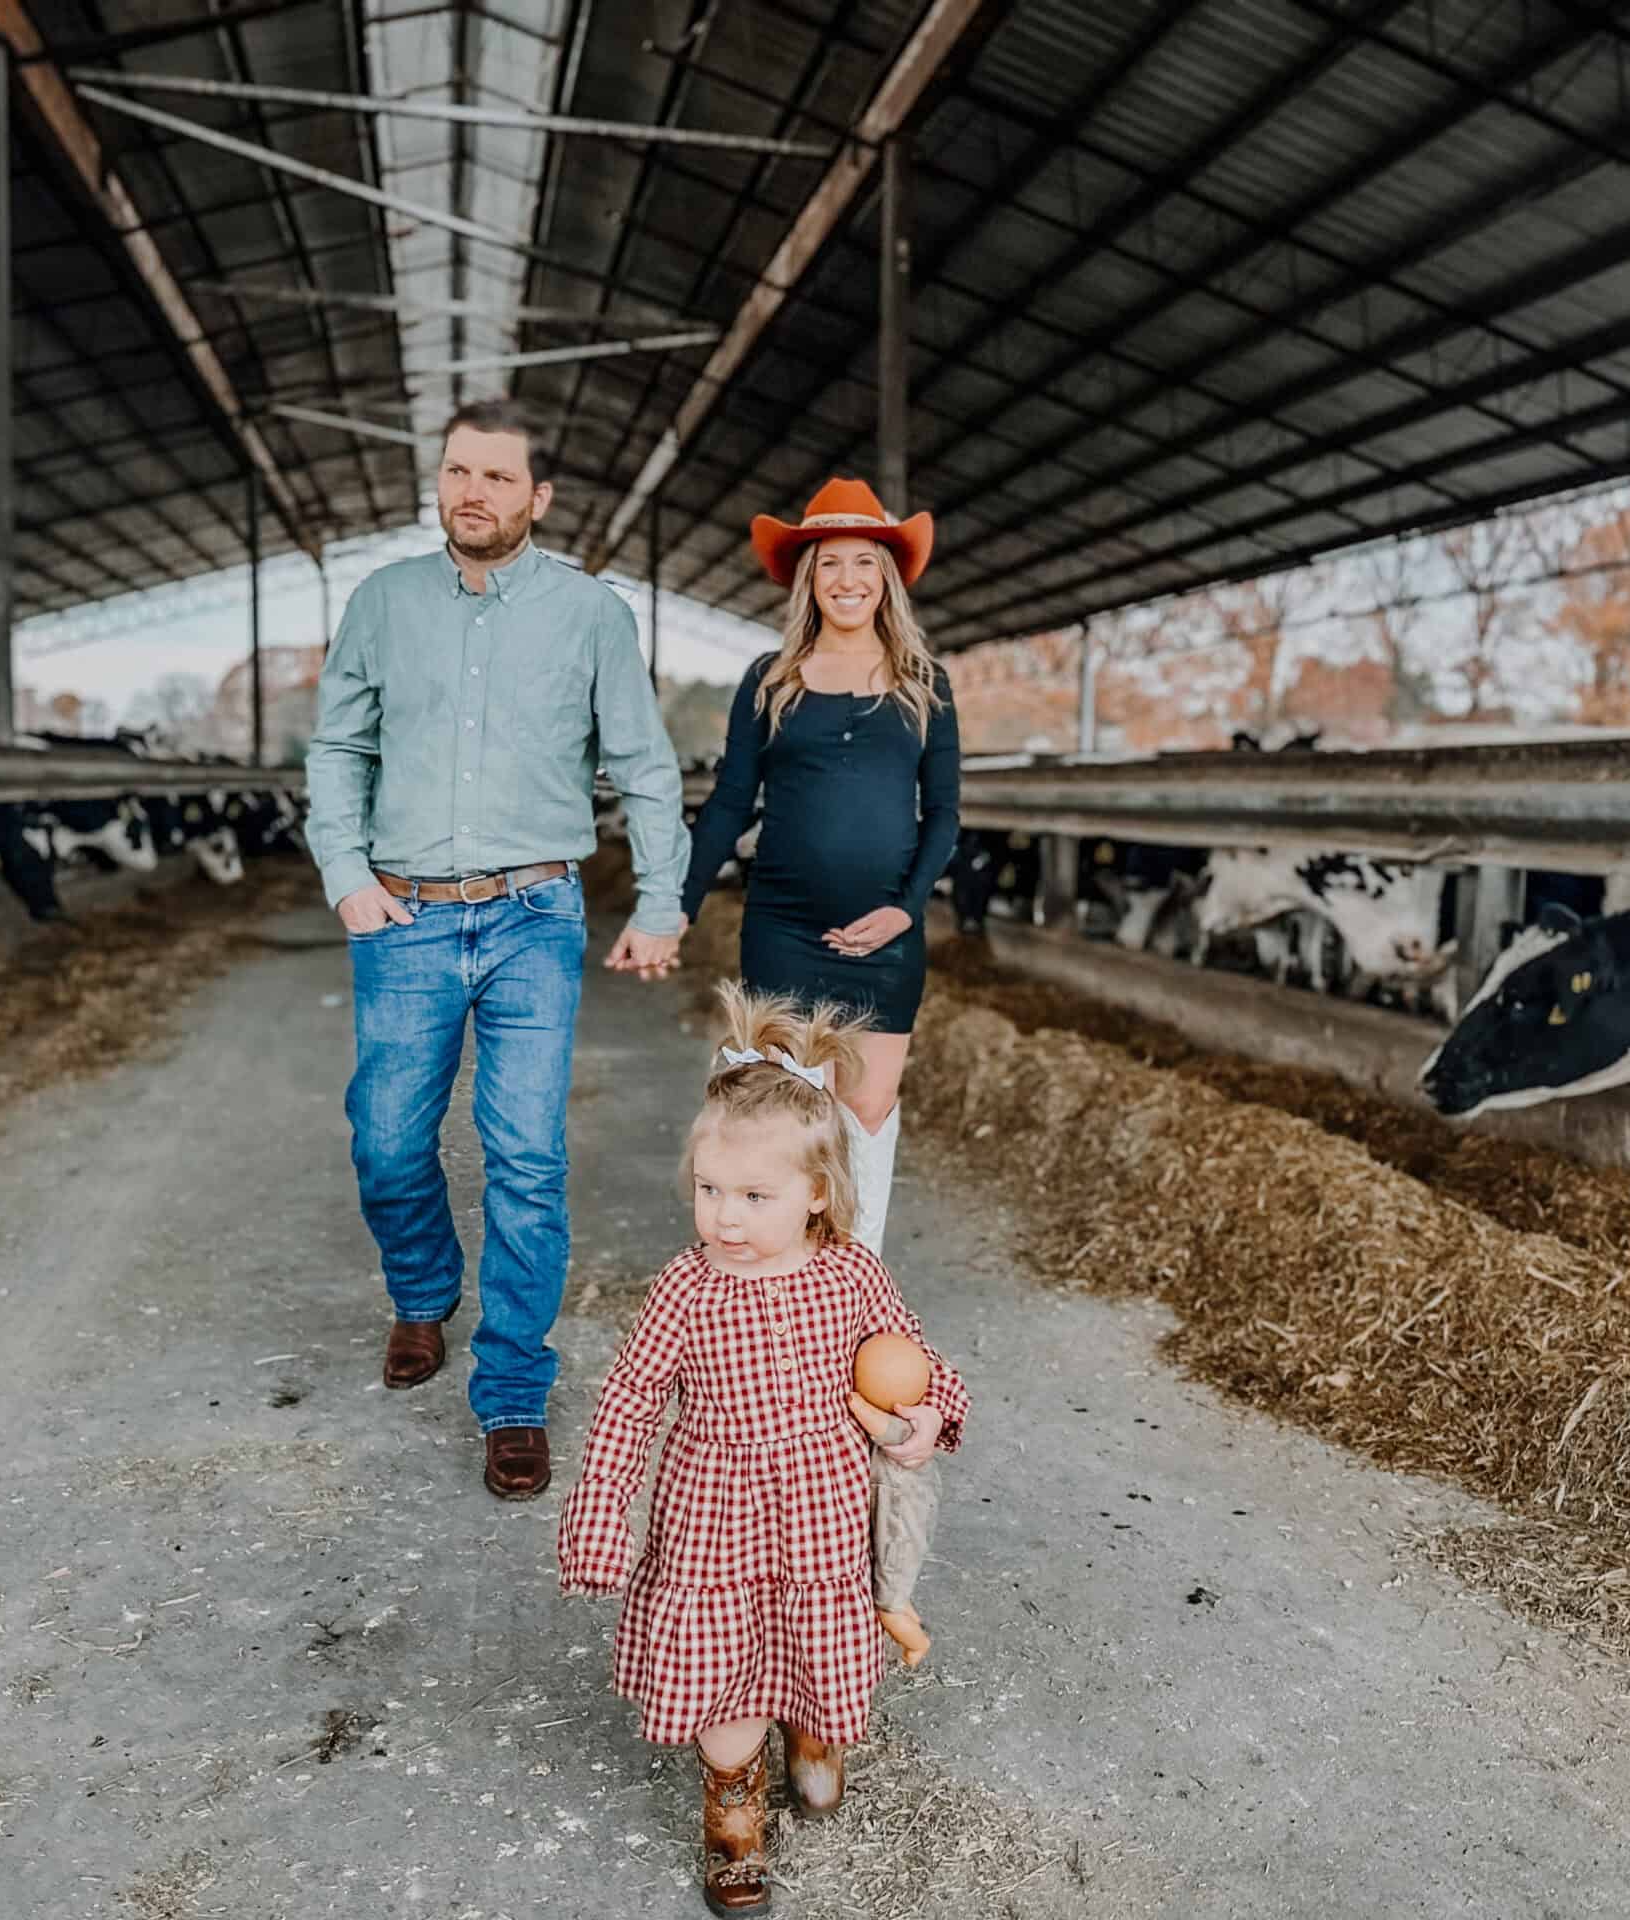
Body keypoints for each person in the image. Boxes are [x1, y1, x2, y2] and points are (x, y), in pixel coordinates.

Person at [305, 397, 689, 1501]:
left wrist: (658, 901)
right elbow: (336, 747)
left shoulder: (590, 615)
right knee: (385, 1140)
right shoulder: (382, 603)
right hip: (405, 911)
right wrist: (347, 879)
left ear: (539, 498)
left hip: (534, 915)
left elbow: (644, 765)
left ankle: (513, 1389)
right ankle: (422, 1291)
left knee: (526, 1158)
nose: (472, 493)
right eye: (457, 472)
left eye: (496, 478)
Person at [557, 983, 967, 1916]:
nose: (725, 1218)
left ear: (818, 1193)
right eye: (709, 1192)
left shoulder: (852, 1272)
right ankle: (734, 1806)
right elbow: (626, 1403)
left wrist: (927, 1420)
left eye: (752, 1196)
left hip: (822, 1507)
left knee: (817, 1642)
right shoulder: (684, 1289)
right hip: (713, 1513)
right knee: (728, 1663)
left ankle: (816, 1732)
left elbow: (914, 1358)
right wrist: (599, 1513)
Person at [679, 477, 959, 1258]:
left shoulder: (924, 684)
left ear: (887, 577)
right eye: (830, 562)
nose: (847, 580)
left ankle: (853, 1295)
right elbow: (731, 803)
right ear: (809, 575)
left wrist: (907, 907)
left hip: (885, 939)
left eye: (864, 563)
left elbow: (943, 815)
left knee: (865, 1121)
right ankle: (771, 1294)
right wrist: (678, 904)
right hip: (783, 928)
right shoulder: (772, 678)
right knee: (777, 1120)